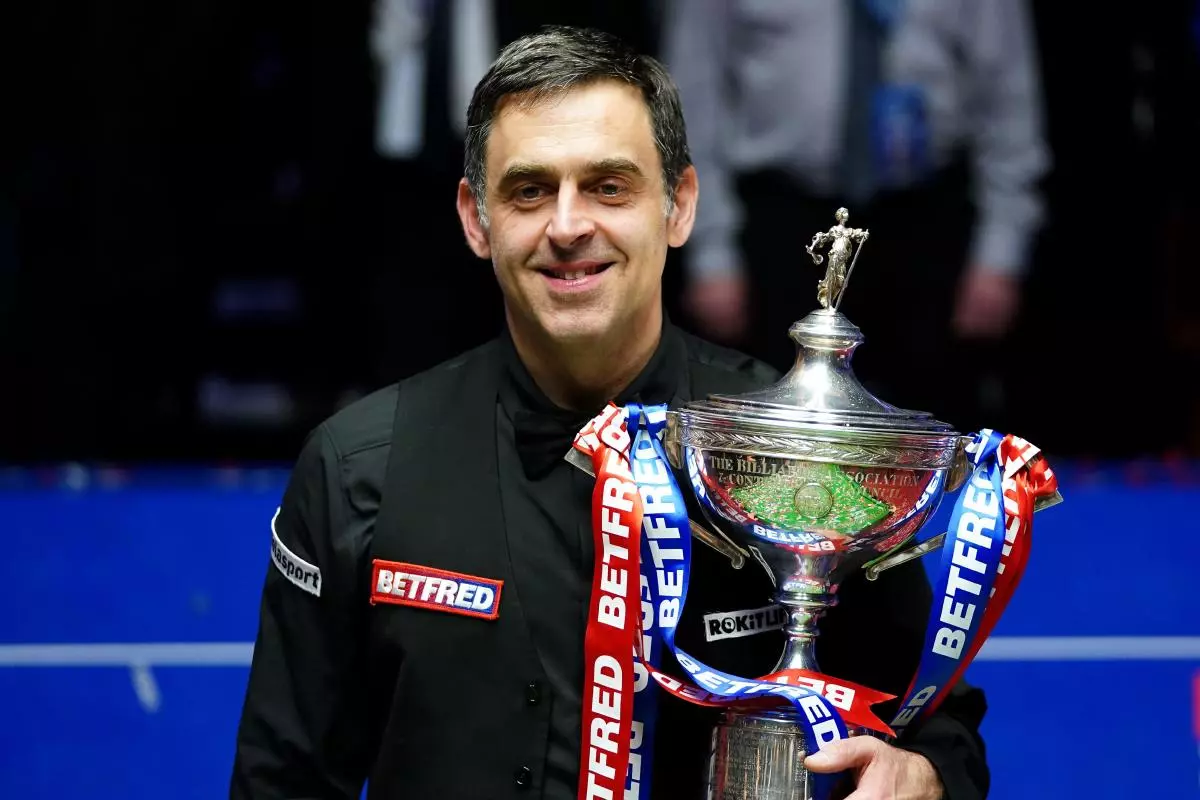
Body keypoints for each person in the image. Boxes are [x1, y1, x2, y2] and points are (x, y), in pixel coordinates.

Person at [230, 25, 988, 800]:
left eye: (609, 186)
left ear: (680, 205)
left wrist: (921, 774)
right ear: (475, 219)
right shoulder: (359, 465)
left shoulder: (804, 450)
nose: (567, 227)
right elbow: (280, 782)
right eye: (529, 190)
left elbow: (939, 729)